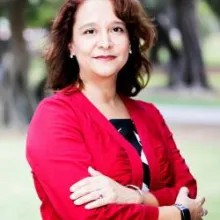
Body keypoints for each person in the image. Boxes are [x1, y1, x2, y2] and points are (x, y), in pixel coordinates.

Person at [26, 0, 208, 219]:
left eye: (116, 29)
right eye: (90, 31)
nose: (105, 42)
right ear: (70, 45)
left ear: (130, 41)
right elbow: (89, 216)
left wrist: (135, 197)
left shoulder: (149, 114)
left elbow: (188, 190)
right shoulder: (54, 116)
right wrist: (178, 214)